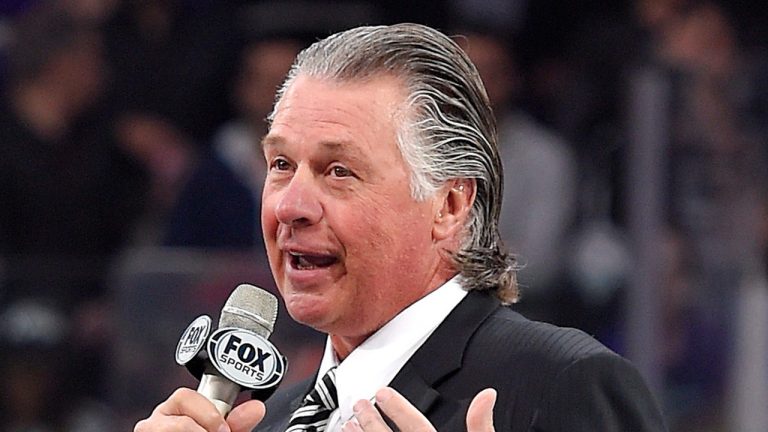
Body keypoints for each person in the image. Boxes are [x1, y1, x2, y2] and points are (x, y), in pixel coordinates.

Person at [134, 23, 667, 432]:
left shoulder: (561, 387)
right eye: (280, 165)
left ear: (450, 204)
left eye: (338, 171)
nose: (290, 205)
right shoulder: (270, 420)